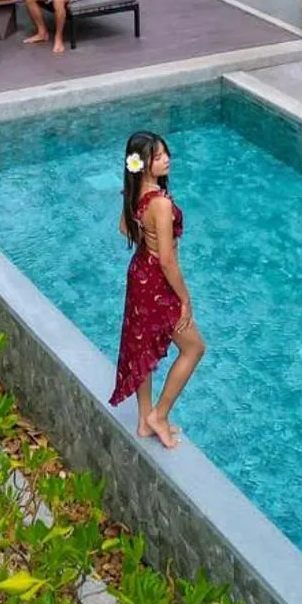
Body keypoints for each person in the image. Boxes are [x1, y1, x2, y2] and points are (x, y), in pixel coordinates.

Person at [110, 130, 205, 449]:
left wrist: (146, 241)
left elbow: (125, 227)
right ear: (145, 164)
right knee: (194, 348)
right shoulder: (161, 204)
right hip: (157, 281)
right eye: (159, 156)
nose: (167, 160)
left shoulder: (133, 192)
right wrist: (185, 299)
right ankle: (159, 415)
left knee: (143, 346)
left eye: (166, 154)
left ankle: (143, 419)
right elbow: (166, 259)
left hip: (138, 273)